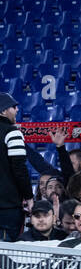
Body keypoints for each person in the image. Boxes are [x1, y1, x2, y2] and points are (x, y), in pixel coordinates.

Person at [0, 92, 32, 241]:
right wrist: (29, 197)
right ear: (3, 111)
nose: (17, 110)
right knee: (6, 257)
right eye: (13, 107)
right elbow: (19, 169)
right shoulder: (12, 132)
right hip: (8, 207)